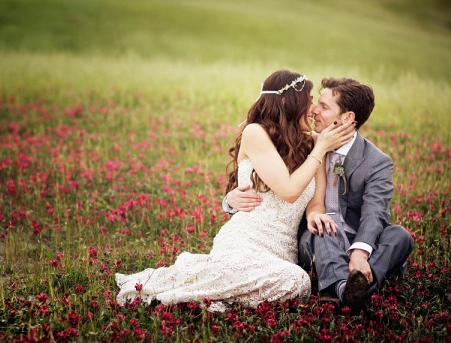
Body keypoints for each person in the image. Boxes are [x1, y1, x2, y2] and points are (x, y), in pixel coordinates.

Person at [115, 70, 355, 312]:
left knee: (295, 282)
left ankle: (214, 295)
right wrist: (320, 148)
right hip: (245, 240)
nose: (312, 109)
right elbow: (289, 190)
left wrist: (315, 212)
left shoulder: (313, 144)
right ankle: (190, 290)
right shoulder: (256, 133)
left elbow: (316, 202)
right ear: (288, 102)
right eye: (309, 100)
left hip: (282, 251)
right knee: (298, 280)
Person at [224, 78, 414, 312]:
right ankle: (346, 288)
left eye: (323, 107)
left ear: (346, 118)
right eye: (317, 103)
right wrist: (230, 200)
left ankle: (353, 283)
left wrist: (360, 251)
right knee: (324, 226)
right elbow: (266, 181)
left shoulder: (377, 161)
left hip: (354, 238)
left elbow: (376, 211)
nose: (314, 109)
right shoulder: (305, 143)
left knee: (401, 236)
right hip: (316, 238)